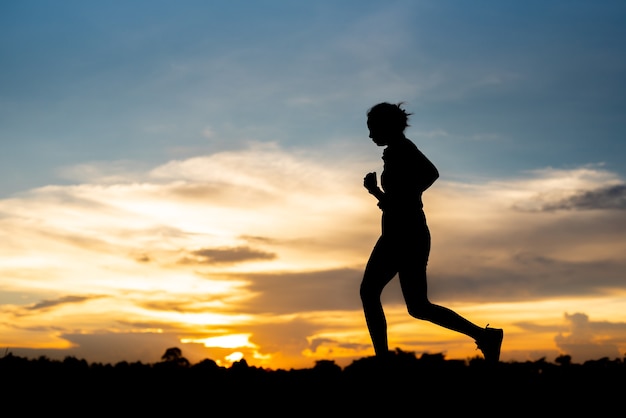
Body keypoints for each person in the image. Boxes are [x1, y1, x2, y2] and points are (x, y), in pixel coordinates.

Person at [360, 102, 503, 363]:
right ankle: (485, 337)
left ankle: (383, 361)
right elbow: (406, 194)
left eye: (372, 129)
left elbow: (428, 177)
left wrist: (383, 192)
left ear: (385, 126)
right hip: (404, 232)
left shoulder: (403, 150)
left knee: (370, 293)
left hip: (403, 235)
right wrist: (385, 193)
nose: (370, 135)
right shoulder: (397, 151)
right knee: (417, 307)